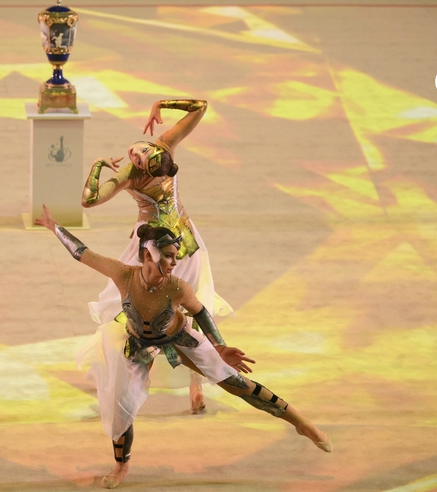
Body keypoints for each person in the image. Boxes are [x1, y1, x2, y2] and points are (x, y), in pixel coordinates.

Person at [35, 205, 332, 490]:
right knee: (121, 403)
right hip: (137, 344)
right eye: (168, 256)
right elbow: (81, 252)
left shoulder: (177, 287)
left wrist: (220, 347)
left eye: (176, 257)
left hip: (180, 339)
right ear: (148, 254)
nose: (174, 263)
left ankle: (301, 423)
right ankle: (121, 465)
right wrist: (54, 227)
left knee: (237, 383)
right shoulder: (124, 275)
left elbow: (201, 312)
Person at [82, 98, 228, 413]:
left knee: (178, 308)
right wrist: (161, 104)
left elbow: (201, 107)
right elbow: (200, 107)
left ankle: (191, 385)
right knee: (160, 308)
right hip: (167, 246)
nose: (137, 153)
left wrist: (98, 166)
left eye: (143, 156)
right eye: (142, 152)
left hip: (171, 247)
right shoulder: (147, 160)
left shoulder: (145, 162)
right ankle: (151, 381)